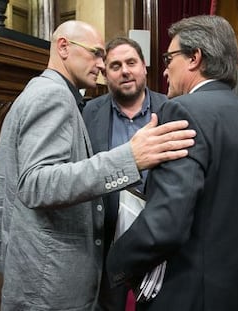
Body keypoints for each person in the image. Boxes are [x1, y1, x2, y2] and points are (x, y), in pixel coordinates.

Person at [0, 20, 196, 311]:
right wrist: (129, 158)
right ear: (64, 47)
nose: (100, 64)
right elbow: (37, 184)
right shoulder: (52, 96)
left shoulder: (47, 91)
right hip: (51, 280)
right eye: (96, 53)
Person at [106, 15, 238, 311]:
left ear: (195, 58)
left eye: (169, 57)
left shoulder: (183, 109)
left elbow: (167, 224)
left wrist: (116, 261)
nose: (165, 69)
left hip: (193, 292)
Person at [82, 37, 167, 311]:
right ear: (105, 74)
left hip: (159, 232)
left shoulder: (171, 109)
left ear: (144, 66)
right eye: (115, 66)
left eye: (131, 62)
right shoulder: (89, 112)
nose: (125, 71)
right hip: (108, 234)